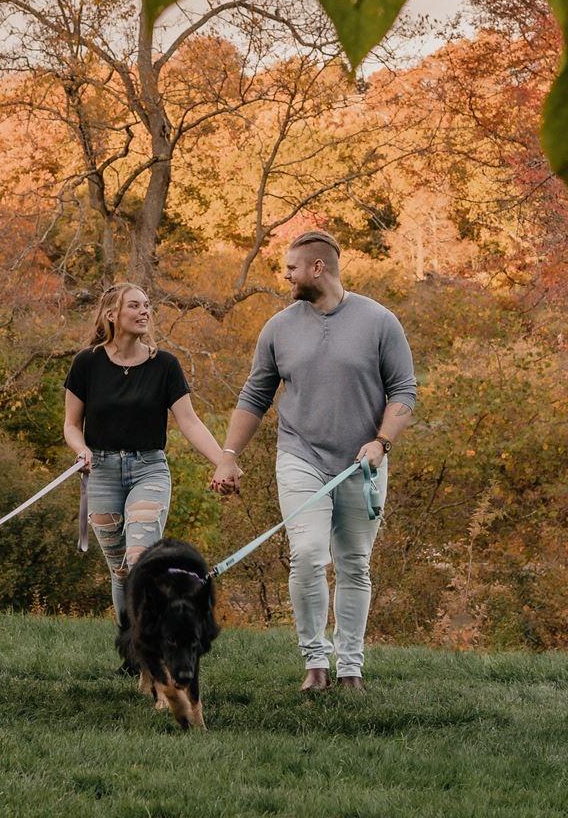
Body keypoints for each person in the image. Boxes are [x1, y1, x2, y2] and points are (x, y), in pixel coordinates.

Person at [211, 231, 417, 692]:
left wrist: (382, 442)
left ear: (317, 269)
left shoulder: (379, 321)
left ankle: (350, 668)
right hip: (300, 457)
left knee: (354, 563)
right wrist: (228, 457)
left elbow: (404, 390)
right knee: (305, 556)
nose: (285, 276)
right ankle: (315, 663)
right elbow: (254, 396)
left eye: (290, 268)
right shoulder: (279, 328)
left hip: (362, 463)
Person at [64, 282, 228, 623]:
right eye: (135, 306)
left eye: (147, 306)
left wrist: (223, 461)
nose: (145, 312)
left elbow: (190, 422)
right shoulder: (86, 363)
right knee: (120, 570)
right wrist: (81, 450)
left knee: (140, 560)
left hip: (148, 469)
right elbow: (70, 424)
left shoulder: (165, 365)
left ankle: (148, 644)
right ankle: (132, 647)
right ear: (112, 315)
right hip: (102, 472)